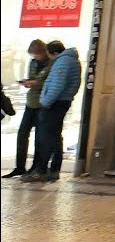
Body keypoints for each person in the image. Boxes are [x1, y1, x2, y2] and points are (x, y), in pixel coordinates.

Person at [23, 40, 80, 183]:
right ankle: (53, 169)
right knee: (54, 136)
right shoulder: (70, 60)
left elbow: (57, 85)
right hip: (61, 102)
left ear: (53, 53)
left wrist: (45, 102)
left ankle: (42, 170)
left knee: (46, 137)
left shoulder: (63, 62)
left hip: (55, 103)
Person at [5, 40, 51, 179]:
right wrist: (27, 82)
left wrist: (35, 83)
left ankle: (36, 167)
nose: (35, 58)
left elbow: (50, 83)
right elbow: (33, 78)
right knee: (22, 134)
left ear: (44, 52)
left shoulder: (52, 63)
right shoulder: (33, 62)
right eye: (33, 56)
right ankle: (20, 167)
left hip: (43, 104)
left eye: (37, 55)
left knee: (39, 137)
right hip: (31, 102)